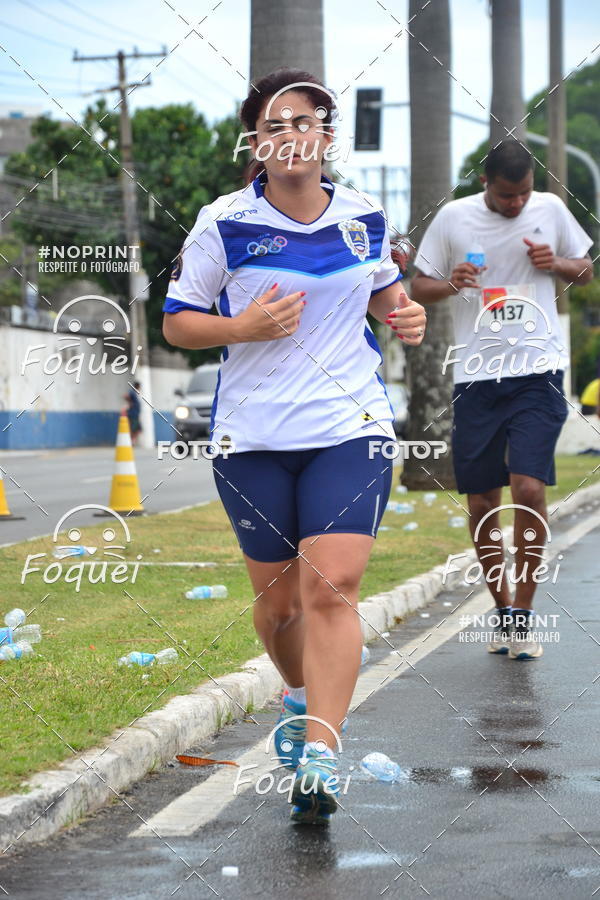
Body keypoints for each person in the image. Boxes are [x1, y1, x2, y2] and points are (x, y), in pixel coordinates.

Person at [163, 67, 426, 824]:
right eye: (273, 127)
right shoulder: (223, 223)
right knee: (279, 609)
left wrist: (402, 316)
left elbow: (384, 294)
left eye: (302, 122)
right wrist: (240, 327)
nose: (289, 137)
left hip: (351, 428)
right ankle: (300, 694)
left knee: (332, 587)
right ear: (257, 142)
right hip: (253, 439)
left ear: (326, 137)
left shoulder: (366, 217)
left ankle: (321, 752)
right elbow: (178, 322)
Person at [411, 140, 593, 660]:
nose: (516, 204)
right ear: (486, 183)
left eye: (523, 194)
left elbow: (585, 271)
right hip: (476, 376)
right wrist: (451, 283)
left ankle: (524, 616)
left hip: (538, 372)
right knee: (483, 501)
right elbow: (418, 286)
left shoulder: (551, 210)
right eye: (507, 195)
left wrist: (555, 261)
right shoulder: (453, 218)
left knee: (529, 488)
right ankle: (502, 607)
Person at [125, 381, 141, 445]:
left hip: (136, 413)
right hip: (133, 414)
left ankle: (132, 440)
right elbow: (126, 396)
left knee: (137, 429)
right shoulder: (132, 392)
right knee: (134, 428)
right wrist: (130, 403)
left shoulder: (135, 393)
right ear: (137, 386)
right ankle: (131, 441)